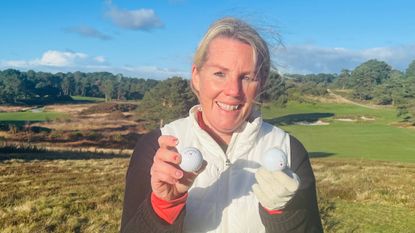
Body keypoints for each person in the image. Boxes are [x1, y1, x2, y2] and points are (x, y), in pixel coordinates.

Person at [121, 17, 323, 233]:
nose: (233, 91)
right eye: (219, 73)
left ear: (261, 83)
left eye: (247, 77)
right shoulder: (156, 149)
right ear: (196, 77)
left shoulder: (290, 150)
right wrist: (164, 206)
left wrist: (282, 214)